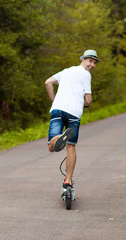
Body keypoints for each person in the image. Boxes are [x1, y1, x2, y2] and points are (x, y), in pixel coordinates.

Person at [45, 49, 100, 189]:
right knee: (71, 146)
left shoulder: (66, 71)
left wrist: (54, 101)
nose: (92, 65)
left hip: (58, 109)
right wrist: (85, 103)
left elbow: (48, 82)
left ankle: (59, 138)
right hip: (74, 113)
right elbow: (88, 99)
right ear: (83, 59)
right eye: (90, 61)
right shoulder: (86, 74)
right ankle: (68, 180)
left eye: (94, 63)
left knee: (51, 148)